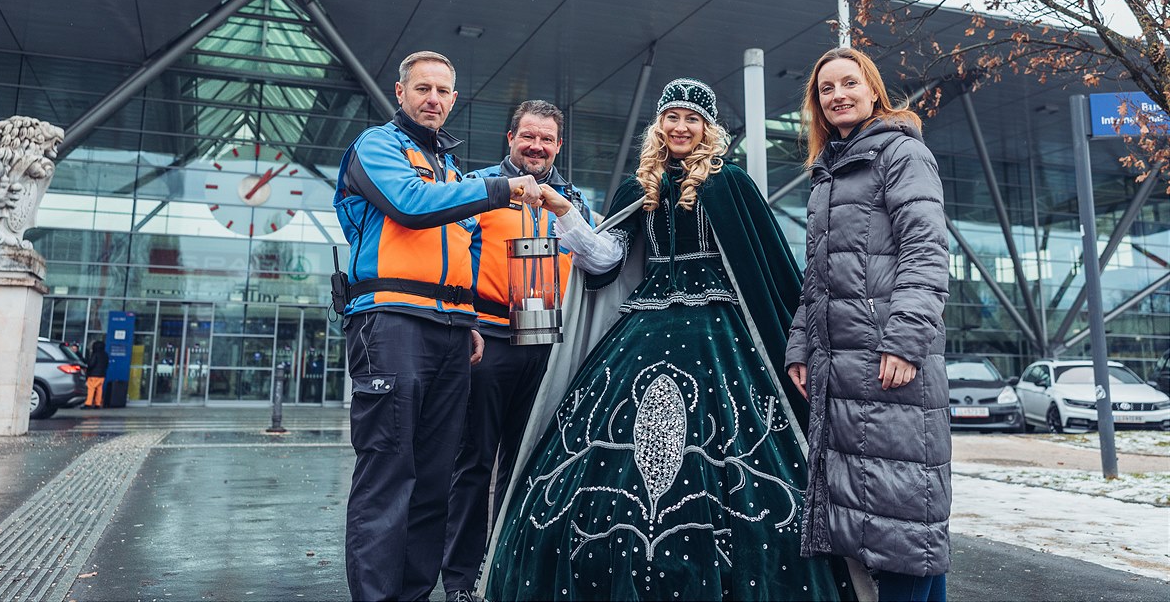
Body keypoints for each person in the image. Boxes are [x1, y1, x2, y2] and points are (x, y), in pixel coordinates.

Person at [479, 78, 858, 601]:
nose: (681, 127)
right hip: (644, 321)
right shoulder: (640, 188)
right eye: (672, 117)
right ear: (659, 124)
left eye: (692, 119)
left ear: (708, 128)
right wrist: (566, 213)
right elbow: (606, 260)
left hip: (721, 328)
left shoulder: (731, 184)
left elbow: (767, 264)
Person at [334, 50, 542, 602]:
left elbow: (467, 240)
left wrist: (469, 315)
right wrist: (501, 189)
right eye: (422, 88)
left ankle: (414, 595)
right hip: (391, 322)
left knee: (433, 482)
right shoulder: (377, 147)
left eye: (443, 91)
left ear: (454, 100)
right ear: (399, 93)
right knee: (389, 472)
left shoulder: (449, 167)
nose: (432, 99)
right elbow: (409, 205)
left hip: (450, 330)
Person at [785, 47, 951, 602]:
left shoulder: (902, 154)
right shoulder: (828, 172)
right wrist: (800, 347)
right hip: (843, 370)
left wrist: (904, 340)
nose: (838, 95)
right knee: (878, 524)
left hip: (890, 365)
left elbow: (926, 252)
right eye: (826, 88)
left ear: (872, 89)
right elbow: (817, 278)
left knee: (905, 521)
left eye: (848, 83)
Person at [442, 101, 593, 602]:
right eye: (528, 136)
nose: (537, 146)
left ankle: (504, 571)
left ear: (559, 146)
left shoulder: (570, 201)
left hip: (546, 345)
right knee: (474, 462)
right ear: (510, 138)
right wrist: (461, 322)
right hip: (489, 340)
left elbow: (590, 266)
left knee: (526, 464)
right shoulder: (480, 188)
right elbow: (451, 257)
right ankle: (462, 581)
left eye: (547, 139)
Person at [84, 340, 107, 409]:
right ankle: (98, 404)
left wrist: (87, 368)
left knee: (91, 389)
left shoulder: (95, 354)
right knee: (99, 390)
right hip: (102, 375)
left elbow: (91, 364)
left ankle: (88, 404)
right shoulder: (105, 355)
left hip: (93, 375)